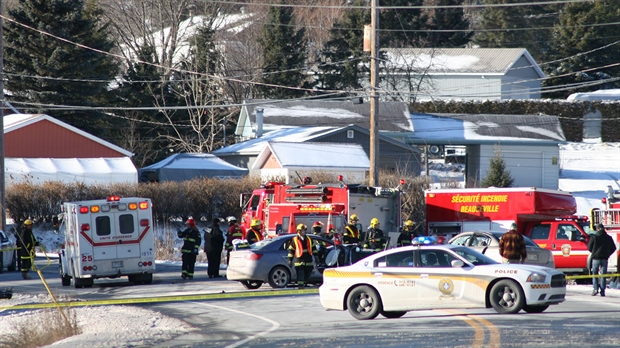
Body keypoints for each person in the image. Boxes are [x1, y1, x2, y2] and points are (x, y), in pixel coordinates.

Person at [588, 223, 617, 296]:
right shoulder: (608, 237)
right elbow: (614, 248)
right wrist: (608, 254)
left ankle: (595, 289)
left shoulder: (594, 237)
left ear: (597, 229)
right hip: (605, 259)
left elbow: (589, 247)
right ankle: (602, 291)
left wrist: (594, 252)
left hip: (595, 258)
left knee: (595, 274)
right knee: (603, 275)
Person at [287, 224, 317, 289]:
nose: (303, 232)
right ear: (298, 231)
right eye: (302, 231)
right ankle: (300, 286)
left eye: (304, 230)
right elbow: (291, 250)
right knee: (300, 273)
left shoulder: (309, 239)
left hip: (308, 259)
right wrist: (290, 260)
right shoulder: (295, 240)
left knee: (309, 271)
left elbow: (314, 248)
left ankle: (303, 283)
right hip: (299, 260)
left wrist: (316, 256)